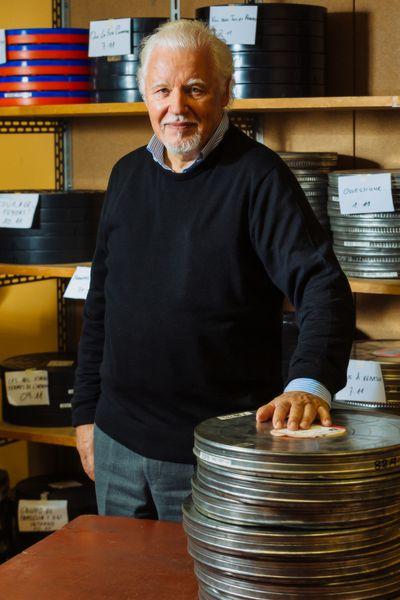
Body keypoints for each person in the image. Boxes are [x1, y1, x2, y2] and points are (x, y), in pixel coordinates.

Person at [72, 19, 354, 521]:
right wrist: (85, 415)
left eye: (195, 89)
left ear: (226, 91)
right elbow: (101, 305)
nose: (176, 108)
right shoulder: (126, 175)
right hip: (116, 443)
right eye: (162, 90)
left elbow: (323, 286)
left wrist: (309, 383)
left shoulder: (259, 177)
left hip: (212, 452)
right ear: (144, 95)